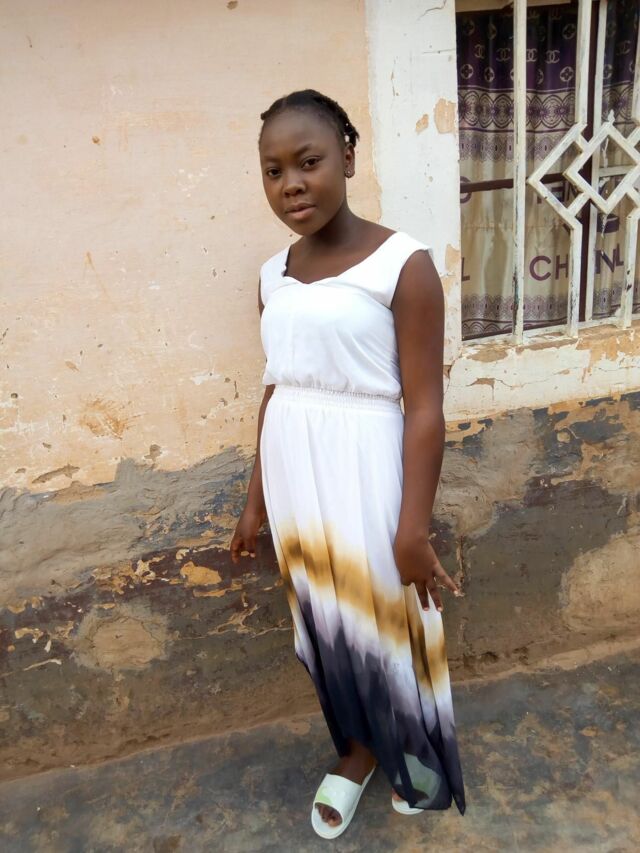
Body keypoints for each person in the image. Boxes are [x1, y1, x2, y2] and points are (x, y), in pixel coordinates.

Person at [230, 88, 466, 839]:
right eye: (273, 171)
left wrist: (413, 529)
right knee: (325, 621)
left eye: (309, 162)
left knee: (390, 617)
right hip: (295, 472)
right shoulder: (271, 276)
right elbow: (277, 387)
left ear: (349, 158)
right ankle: (358, 751)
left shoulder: (404, 265)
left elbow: (424, 407)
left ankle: (412, 750)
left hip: (368, 466)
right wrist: (255, 501)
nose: (291, 184)